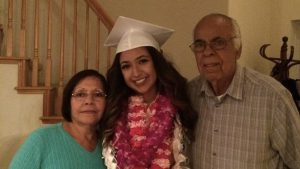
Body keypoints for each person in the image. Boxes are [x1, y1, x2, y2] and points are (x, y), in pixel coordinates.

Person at [188, 13, 300, 169]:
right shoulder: (188, 94)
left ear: (238, 49)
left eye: (218, 43)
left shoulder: (273, 98)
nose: (207, 52)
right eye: (200, 45)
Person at [101, 16, 197, 169]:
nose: (136, 72)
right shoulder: (113, 111)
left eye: (143, 61)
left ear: (156, 62)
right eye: (126, 66)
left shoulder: (179, 105)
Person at [9, 69, 107, 169]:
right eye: (80, 94)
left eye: (98, 94)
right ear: (68, 102)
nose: (89, 101)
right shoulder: (41, 139)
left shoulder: (109, 145)